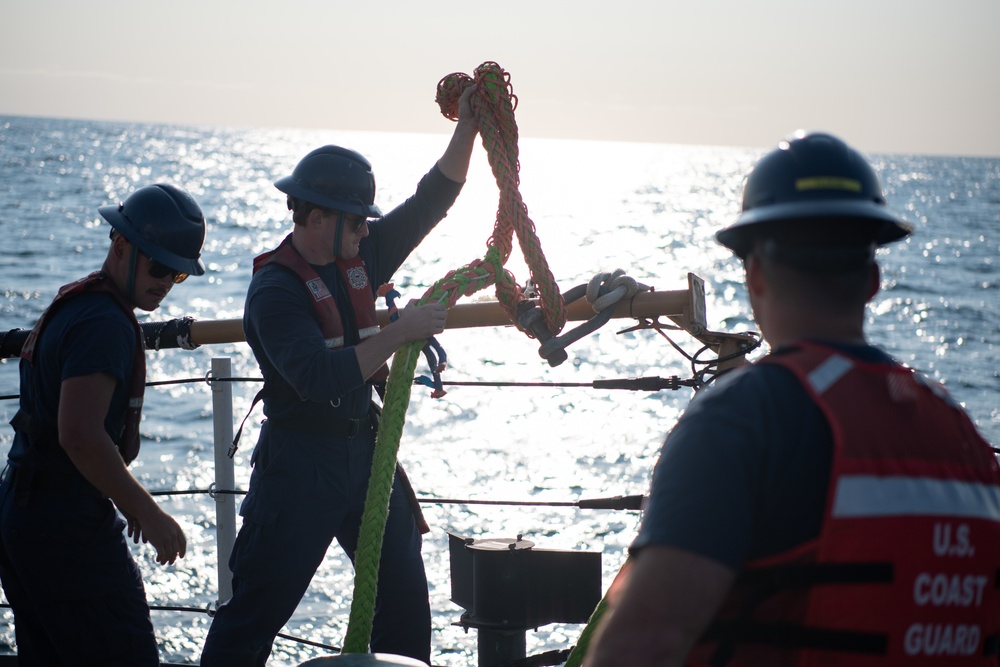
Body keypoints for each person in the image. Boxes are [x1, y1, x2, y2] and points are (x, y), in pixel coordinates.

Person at [583, 131, 1000, 666]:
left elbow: (643, 645)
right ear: (872, 280)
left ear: (754, 275)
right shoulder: (962, 436)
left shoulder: (741, 421)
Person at [200, 86, 479, 667]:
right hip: (301, 465)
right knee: (256, 613)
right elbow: (319, 377)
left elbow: (432, 201)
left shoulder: (359, 259)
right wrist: (401, 332)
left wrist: (469, 129)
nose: (364, 234)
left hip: (366, 455)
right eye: (355, 223)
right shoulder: (274, 292)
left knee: (404, 605)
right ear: (317, 217)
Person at [0, 183, 208, 666]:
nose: (166, 282)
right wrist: (148, 511)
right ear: (120, 246)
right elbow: (80, 435)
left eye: (178, 274)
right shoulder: (106, 325)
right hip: (65, 530)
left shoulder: (81, 304)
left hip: (22, 513)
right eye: (158, 266)